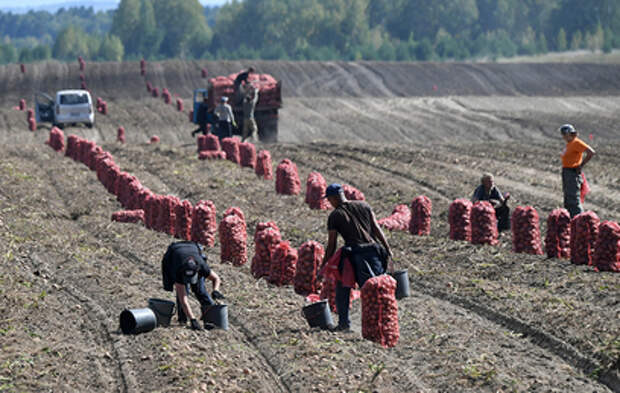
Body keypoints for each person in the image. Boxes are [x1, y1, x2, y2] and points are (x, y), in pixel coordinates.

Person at [320, 183, 393, 332]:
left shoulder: (335, 216)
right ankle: (383, 323)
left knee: (344, 288)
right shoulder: (364, 206)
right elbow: (376, 228)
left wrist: (323, 264)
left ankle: (345, 324)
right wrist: (387, 249)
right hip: (373, 252)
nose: (329, 203)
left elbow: (332, 245)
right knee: (376, 289)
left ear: (334, 198)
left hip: (355, 255)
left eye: (329, 200)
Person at [161, 241, 225, 330]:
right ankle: (183, 320)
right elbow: (183, 299)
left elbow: (216, 278)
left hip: (193, 247)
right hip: (174, 253)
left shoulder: (202, 266)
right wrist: (193, 320)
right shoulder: (177, 271)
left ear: (197, 271)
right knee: (183, 293)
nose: (189, 282)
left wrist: (216, 290)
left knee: (200, 291)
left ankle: (210, 320)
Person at [559, 124, 595, 217]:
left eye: (564, 134)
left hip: (572, 173)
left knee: (573, 199)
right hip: (567, 172)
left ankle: (579, 220)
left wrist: (581, 165)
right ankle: (571, 220)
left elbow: (591, 152)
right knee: (568, 198)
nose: (563, 136)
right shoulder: (570, 144)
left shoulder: (576, 143)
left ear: (570, 134)